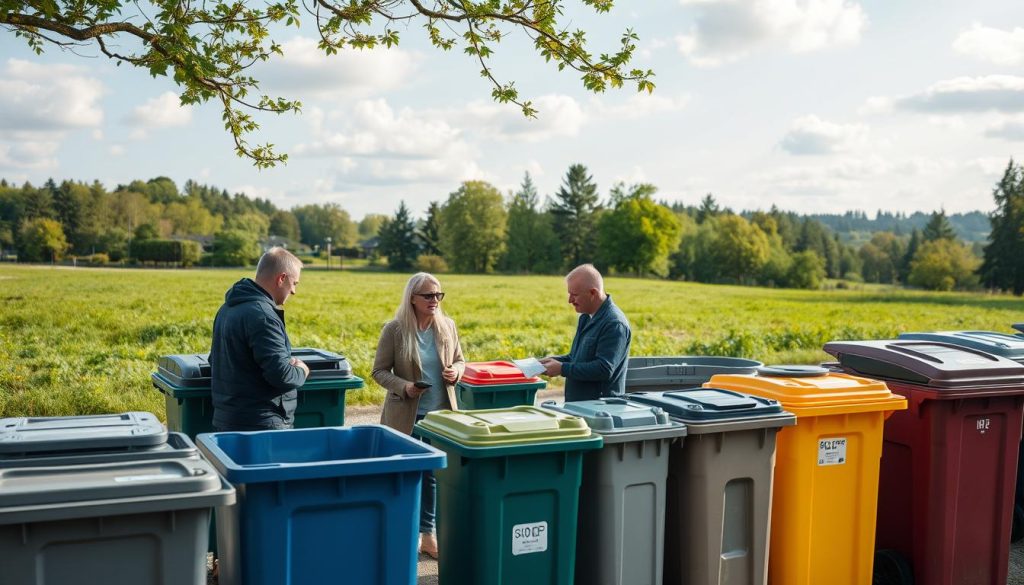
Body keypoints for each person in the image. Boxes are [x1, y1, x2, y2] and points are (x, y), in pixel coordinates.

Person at [372, 272, 466, 560]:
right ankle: (400, 534)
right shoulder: (395, 330)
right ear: (412, 298)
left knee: (433, 477)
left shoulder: (447, 326)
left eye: (438, 295)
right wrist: (405, 387)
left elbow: (461, 360)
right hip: (406, 416)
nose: (434, 300)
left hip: (440, 419)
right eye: (428, 295)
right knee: (403, 476)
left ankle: (428, 535)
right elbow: (379, 372)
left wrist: (456, 372)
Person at [210, 246, 310, 432]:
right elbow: (282, 375)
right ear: (281, 278)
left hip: (228, 419)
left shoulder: (227, 308)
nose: (294, 291)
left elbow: (215, 360)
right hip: (261, 425)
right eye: (294, 283)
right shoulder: (263, 315)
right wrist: (302, 370)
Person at [540, 264, 631, 402]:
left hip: (601, 409)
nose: (570, 300)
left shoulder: (614, 323)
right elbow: (575, 358)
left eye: (574, 295)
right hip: (580, 405)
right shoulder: (586, 317)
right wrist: (549, 362)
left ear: (593, 293)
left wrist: (562, 369)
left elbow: (604, 369)